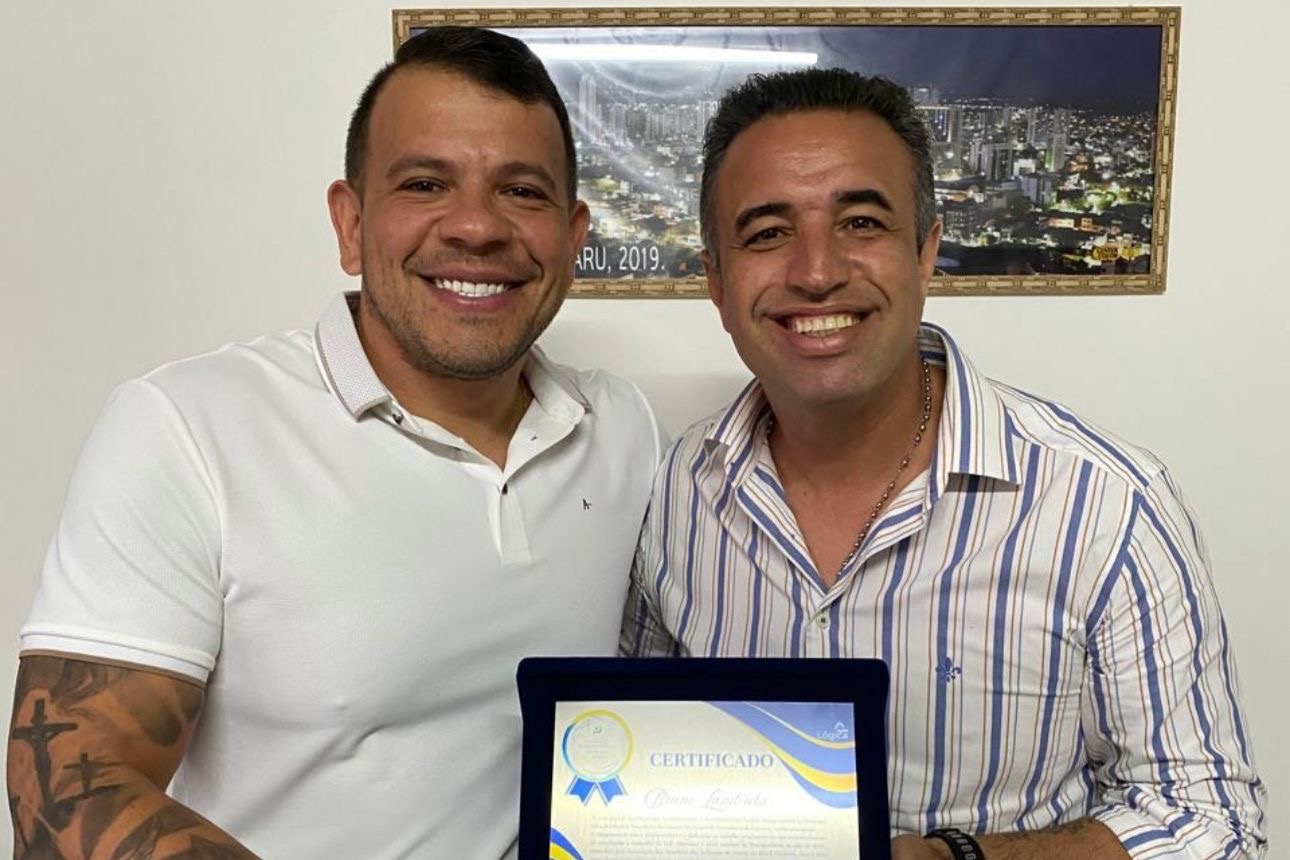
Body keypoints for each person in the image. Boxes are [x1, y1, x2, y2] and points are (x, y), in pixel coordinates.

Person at [8, 26, 663, 859]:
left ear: (573, 238)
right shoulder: (186, 428)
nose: (476, 226)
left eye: (522, 191)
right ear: (350, 224)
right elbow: (67, 791)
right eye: (424, 183)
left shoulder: (622, 430)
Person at [620, 68, 1265, 859]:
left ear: (925, 252)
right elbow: (642, 743)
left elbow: (1212, 824)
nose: (817, 271)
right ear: (716, 283)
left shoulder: (1104, 506)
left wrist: (951, 858)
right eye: (767, 234)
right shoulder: (680, 488)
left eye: (861, 222)